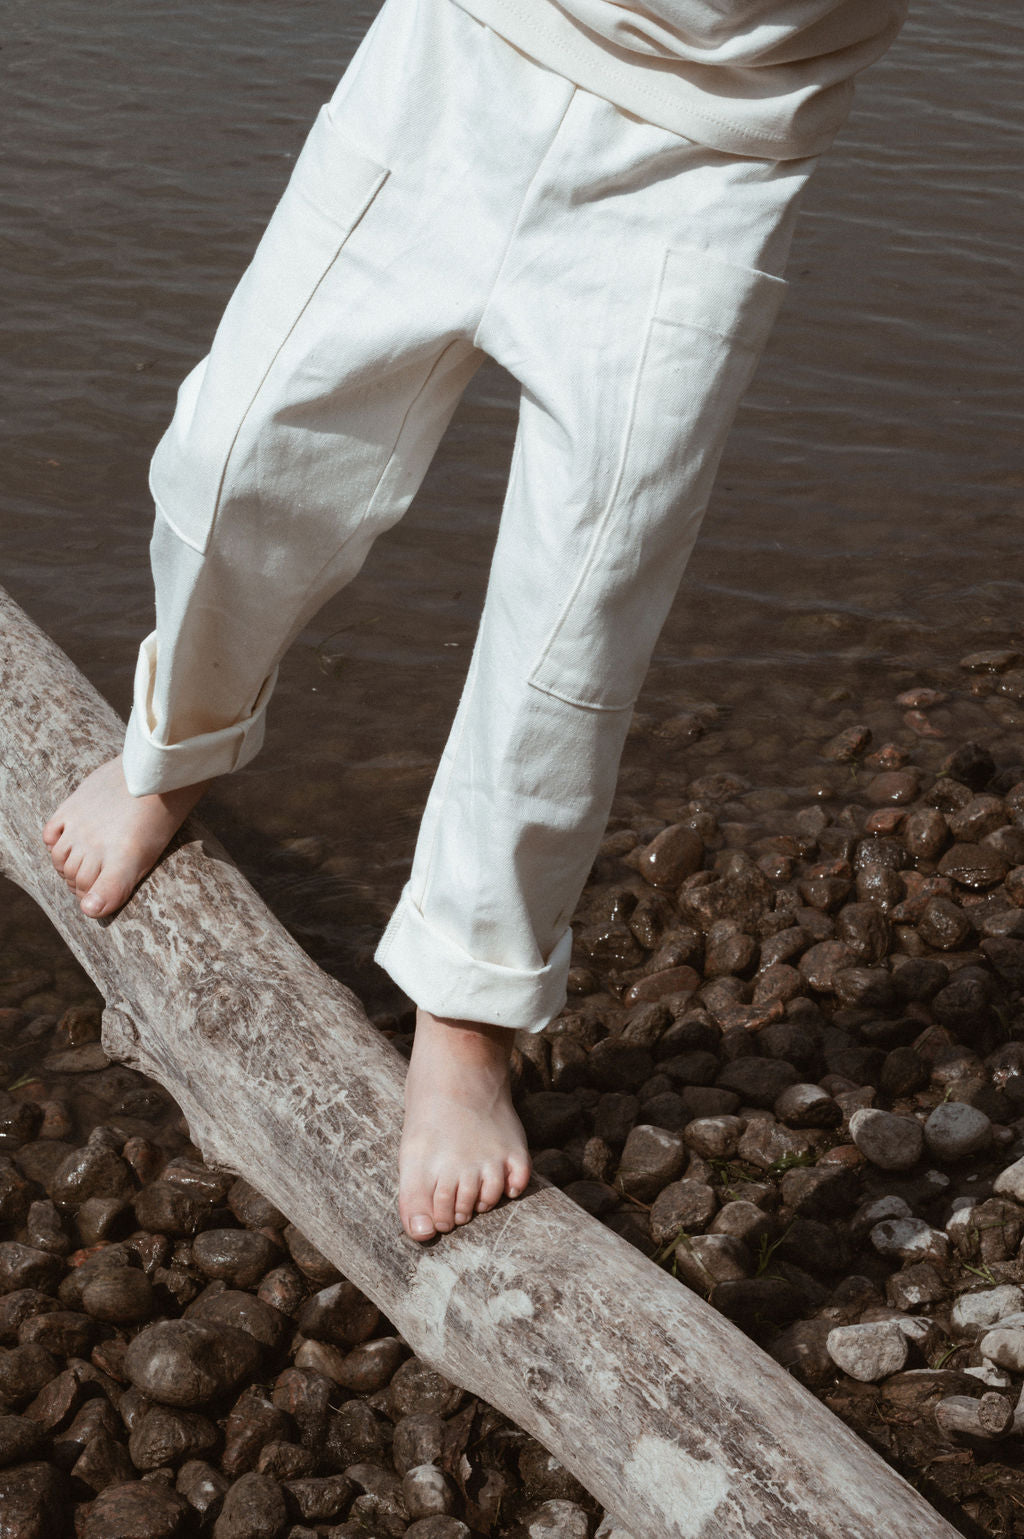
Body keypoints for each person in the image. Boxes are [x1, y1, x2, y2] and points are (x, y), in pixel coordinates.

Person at [41, 0, 908, 1243]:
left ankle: (468, 1017)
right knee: (234, 462)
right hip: (460, 56)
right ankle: (177, 749)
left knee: (580, 611)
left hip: (715, 150)